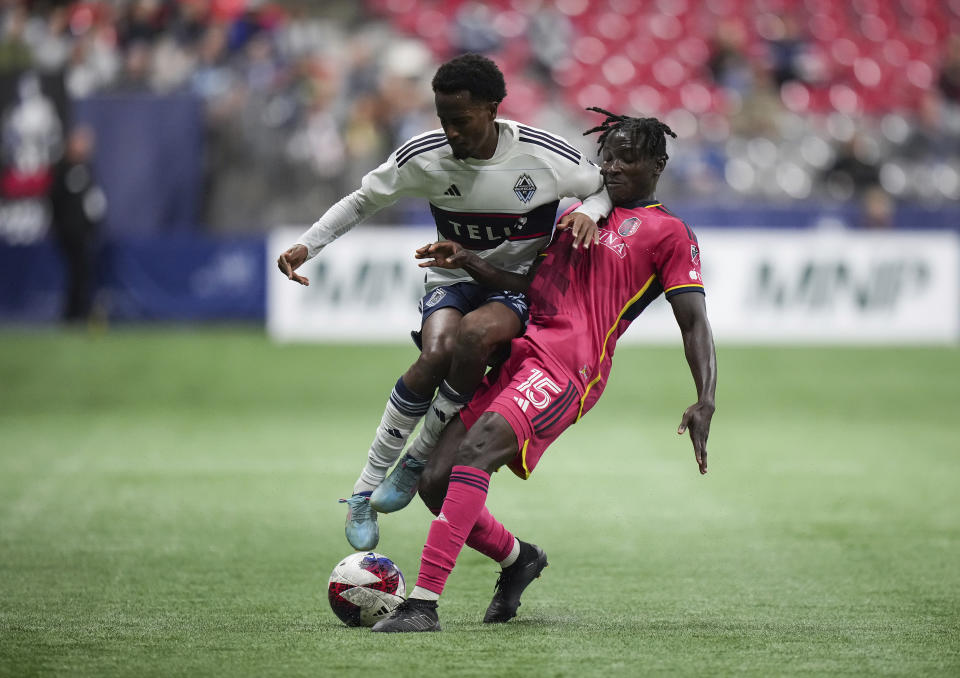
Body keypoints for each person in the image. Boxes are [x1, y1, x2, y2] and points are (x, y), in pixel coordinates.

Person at [370, 108, 717, 633]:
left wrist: (705, 397)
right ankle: (519, 560)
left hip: (567, 366)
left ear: (657, 163)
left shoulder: (669, 233)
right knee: (435, 482)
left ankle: (424, 606)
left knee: (475, 452)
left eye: (627, 158)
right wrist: (467, 258)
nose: (612, 167)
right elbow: (527, 286)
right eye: (607, 157)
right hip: (519, 351)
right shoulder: (572, 213)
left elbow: (694, 322)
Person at [275, 54, 611, 551]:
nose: (451, 132)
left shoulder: (542, 154)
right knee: (435, 353)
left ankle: (417, 457)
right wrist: (310, 244)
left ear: (493, 109)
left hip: (512, 285)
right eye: (443, 121)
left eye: (461, 120)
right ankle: (364, 492)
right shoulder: (424, 156)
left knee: (475, 335)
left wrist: (590, 213)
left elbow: (602, 187)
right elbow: (363, 199)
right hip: (451, 276)